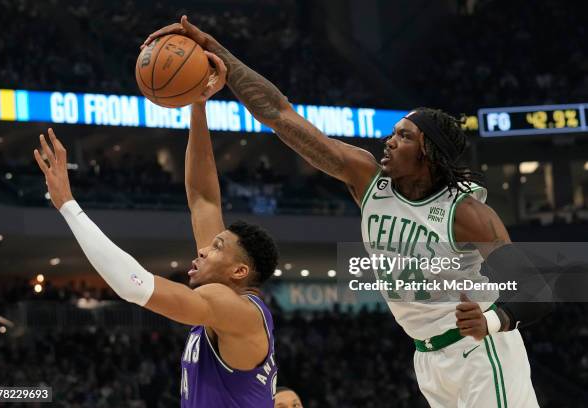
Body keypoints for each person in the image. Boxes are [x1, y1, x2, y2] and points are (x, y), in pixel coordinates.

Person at [143, 16, 552, 407]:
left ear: (427, 152)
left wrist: (494, 321)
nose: (388, 141)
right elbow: (280, 115)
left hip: (481, 349)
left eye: (403, 136)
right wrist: (218, 55)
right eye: (392, 133)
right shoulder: (366, 177)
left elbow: (536, 289)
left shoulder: (467, 214)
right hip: (427, 357)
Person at [33, 52, 279, 407]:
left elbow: (133, 285)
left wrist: (69, 206)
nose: (204, 249)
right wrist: (198, 104)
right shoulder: (227, 298)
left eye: (217, 247)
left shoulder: (234, 308)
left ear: (239, 271)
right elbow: (203, 198)